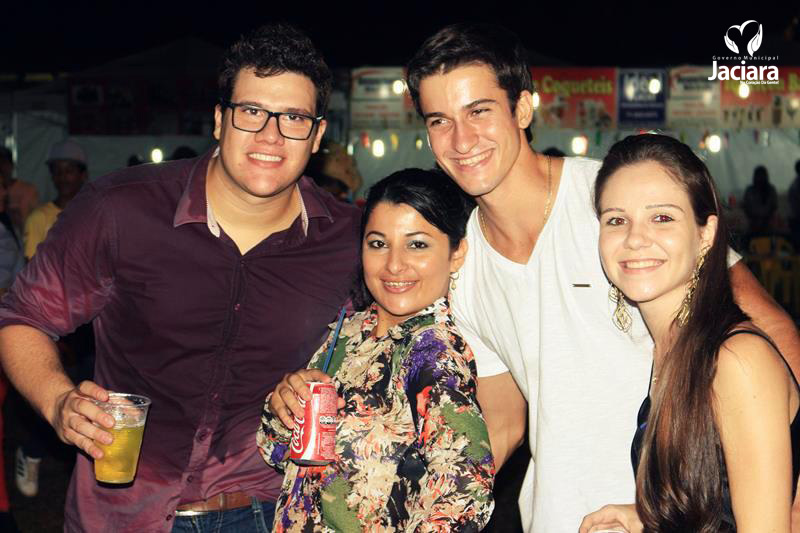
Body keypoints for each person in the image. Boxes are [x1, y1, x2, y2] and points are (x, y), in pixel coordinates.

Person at [270, 23, 800, 532]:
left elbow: (769, 335)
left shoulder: (616, 200)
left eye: (479, 111)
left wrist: (787, 499)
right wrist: (391, 489)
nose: (462, 139)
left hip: (678, 512)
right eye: (439, 120)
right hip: (558, 516)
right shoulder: (461, 261)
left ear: (523, 108)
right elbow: (503, 417)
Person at [0, 23, 360, 533]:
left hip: (267, 511)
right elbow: (23, 317)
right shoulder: (120, 209)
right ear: (219, 119)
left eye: (294, 118)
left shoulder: (351, 240)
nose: (270, 135)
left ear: (318, 136)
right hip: (124, 512)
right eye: (251, 111)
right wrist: (57, 400)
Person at [580, 134, 800, 532]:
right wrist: (650, 519)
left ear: (706, 234)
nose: (635, 238)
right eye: (616, 220)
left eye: (662, 218)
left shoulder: (736, 361)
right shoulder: (671, 345)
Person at [258, 169, 494, 531]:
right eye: (378, 243)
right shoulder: (348, 331)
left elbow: (467, 491)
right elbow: (279, 454)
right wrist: (283, 406)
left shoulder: (432, 353)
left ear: (457, 252)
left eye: (417, 245)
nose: (394, 264)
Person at [15, 139, 92, 499]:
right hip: (58, 320)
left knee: (92, 391)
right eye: (57, 171)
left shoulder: (97, 211)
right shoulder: (40, 218)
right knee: (57, 389)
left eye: (69, 171)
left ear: (82, 174)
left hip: (93, 319)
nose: (63, 178)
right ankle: (31, 450)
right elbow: (35, 277)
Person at [0, 146, 38, 233]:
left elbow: (36, 221)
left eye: (3, 162)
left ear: (12, 165)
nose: (1, 167)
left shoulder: (28, 190)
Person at [742, 165, 778, 236]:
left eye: (762, 176)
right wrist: (754, 219)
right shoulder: (750, 190)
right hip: (753, 223)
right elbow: (746, 206)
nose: (760, 178)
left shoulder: (770, 190)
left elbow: (774, 207)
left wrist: (765, 220)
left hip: (767, 224)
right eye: (758, 176)